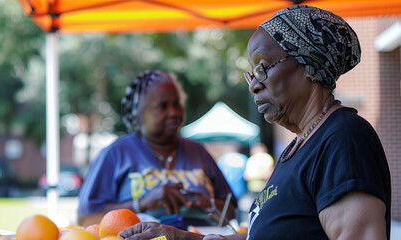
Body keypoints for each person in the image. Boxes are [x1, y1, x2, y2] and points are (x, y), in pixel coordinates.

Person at [117, 5, 391, 240]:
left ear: (309, 65)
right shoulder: (299, 147)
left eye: (263, 66)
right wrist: (185, 237)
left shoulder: (343, 139)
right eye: (251, 73)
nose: (254, 86)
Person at [77, 70, 236, 228]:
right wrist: (143, 203)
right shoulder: (116, 154)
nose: (173, 112)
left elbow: (232, 211)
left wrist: (206, 202)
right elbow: (86, 218)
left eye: (176, 104)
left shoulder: (198, 151)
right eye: (162, 106)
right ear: (138, 113)